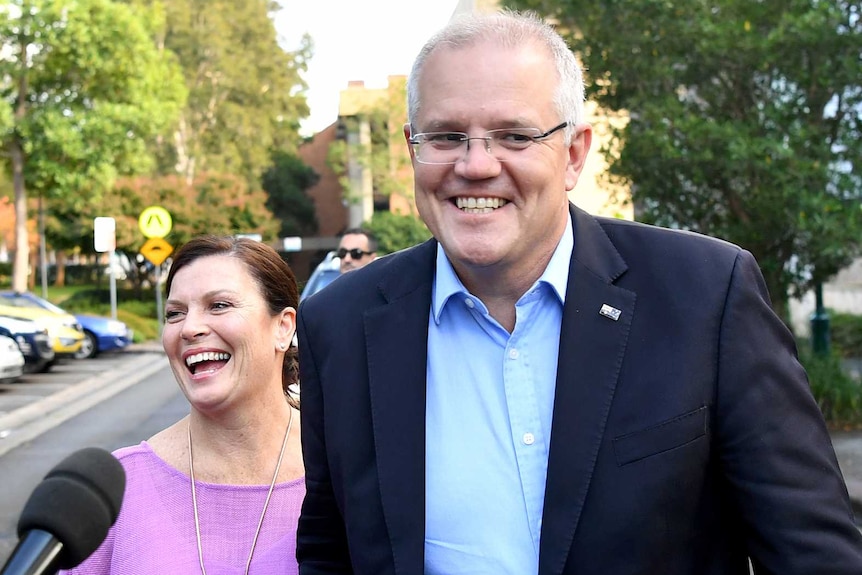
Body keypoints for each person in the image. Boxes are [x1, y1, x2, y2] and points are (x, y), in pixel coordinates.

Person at [295, 9, 862, 575]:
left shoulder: (705, 296)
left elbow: (813, 554)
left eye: (514, 135)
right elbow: (329, 548)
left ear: (573, 154)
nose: (475, 165)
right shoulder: (339, 326)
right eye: (446, 136)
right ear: (412, 147)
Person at [63, 235, 304, 575]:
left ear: (283, 327)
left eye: (219, 305)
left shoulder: (345, 471)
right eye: (175, 313)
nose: (190, 328)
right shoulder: (115, 491)